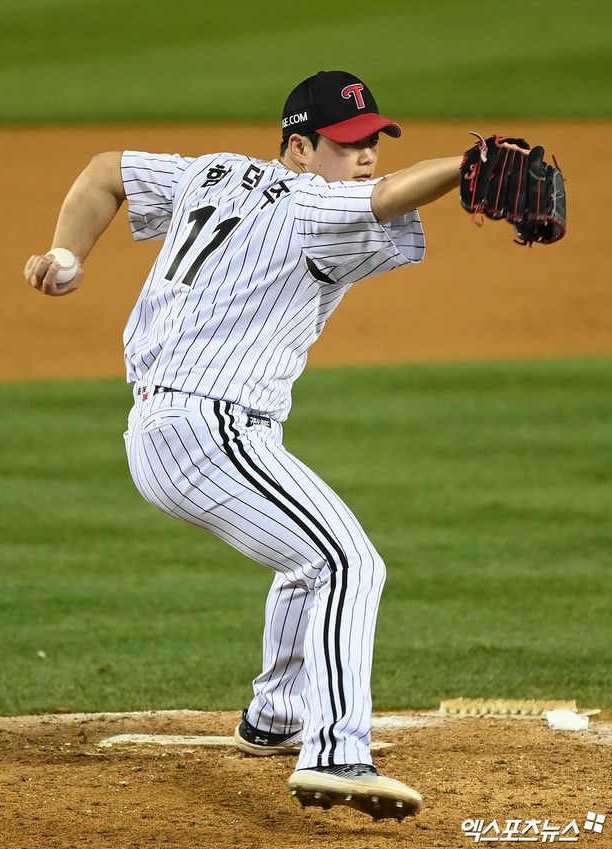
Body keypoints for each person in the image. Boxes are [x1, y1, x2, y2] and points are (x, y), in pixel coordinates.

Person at [24, 70, 462, 822]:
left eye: (372, 140)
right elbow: (389, 197)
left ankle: (276, 715)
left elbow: (105, 171)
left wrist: (67, 255)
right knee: (347, 562)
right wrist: (469, 165)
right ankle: (336, 753)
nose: (365, 156)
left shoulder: (213, 172)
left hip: (175, 429)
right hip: (208, 429)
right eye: (346, 143)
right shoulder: (312, 204)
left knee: (305, 557)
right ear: (298, 148)